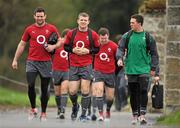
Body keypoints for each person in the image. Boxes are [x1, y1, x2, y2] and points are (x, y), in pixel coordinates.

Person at [11, 7, 62, 121]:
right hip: (32, 61)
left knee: (44, 89)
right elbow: (22, 44)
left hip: (46, 63)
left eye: (41, 16)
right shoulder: (29, 29)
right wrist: (15, 60)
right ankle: (33, 108)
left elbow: (60, 41)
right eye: (37, 16)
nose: (39, 18)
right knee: (30, 84)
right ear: (34, 16)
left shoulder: (51, 28)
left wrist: (53, 47)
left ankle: (43, 112)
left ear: (45, 16)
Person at [116, 14, 159, 125]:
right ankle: (135, 115)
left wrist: (153, 68)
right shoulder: (127, 36)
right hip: (130, 69)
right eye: (130, 22)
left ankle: (142, 116)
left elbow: (154, 54)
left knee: (143, 90)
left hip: (144, 68)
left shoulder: (148, 37)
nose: (130, 24)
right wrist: (120, 58)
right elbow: (120, 48)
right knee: (134, 93)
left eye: (132, 22)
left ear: (139, 23)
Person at [64, 12, 100, 122]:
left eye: (85, 20)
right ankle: (75, 106)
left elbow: (97, 49)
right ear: (78, 21)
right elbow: (66, 47)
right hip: (74, 65)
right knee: (72, 91)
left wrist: (88, 51)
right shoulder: (71, 33)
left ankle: (83, 115)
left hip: (86, 65)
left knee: (85, 91)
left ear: (88, 21)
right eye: (81, 20)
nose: (83, 22)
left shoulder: (93, 35)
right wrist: (72, 50)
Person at [92, 27, 118, 121]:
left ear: (108, 37)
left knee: (110, 97)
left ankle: (107, 110)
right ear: (99, 37)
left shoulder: (114, 46)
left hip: (110, 73)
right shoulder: (95, 45)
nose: (103, 40)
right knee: (99, 91)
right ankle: (100, 114)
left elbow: (118, 57)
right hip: (98, 71)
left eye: (105, 39)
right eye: (102, 39)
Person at [52, 28, 70, 119]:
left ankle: (63, 111)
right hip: (56, 70)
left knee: (64, 90)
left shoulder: (70, 46)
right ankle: (59, 108)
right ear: (63, 37)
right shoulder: (57, 45)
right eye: (67, 37)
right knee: (57, 93)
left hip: (66, 71)